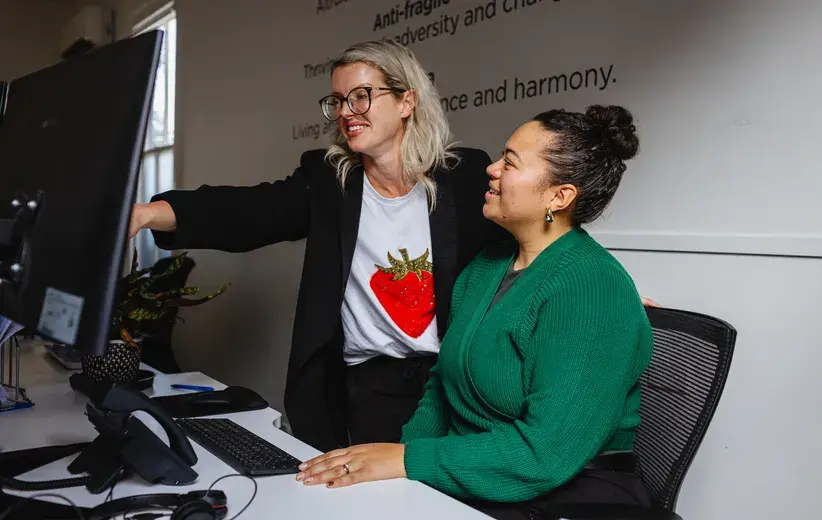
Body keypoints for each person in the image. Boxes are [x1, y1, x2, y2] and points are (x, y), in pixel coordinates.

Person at [129, 39, 657, 452]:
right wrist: (148, 213)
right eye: (337, 100)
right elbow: (248, 211)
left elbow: (548, 227)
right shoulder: (328, 182)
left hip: (451, 380)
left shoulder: (467, 174)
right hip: (366, 383)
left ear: (407, 101)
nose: (347, 111)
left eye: (362, 95)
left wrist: (613, 293)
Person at [294, 105, 655, 520]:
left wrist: (407, 462)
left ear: (559, 197)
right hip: (478, 475)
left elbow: (544, 456)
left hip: (570, 495)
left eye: (511, 162)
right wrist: (399, 464)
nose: (493, 169)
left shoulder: (591, 287)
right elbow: (441, 389)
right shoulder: (489, 264)